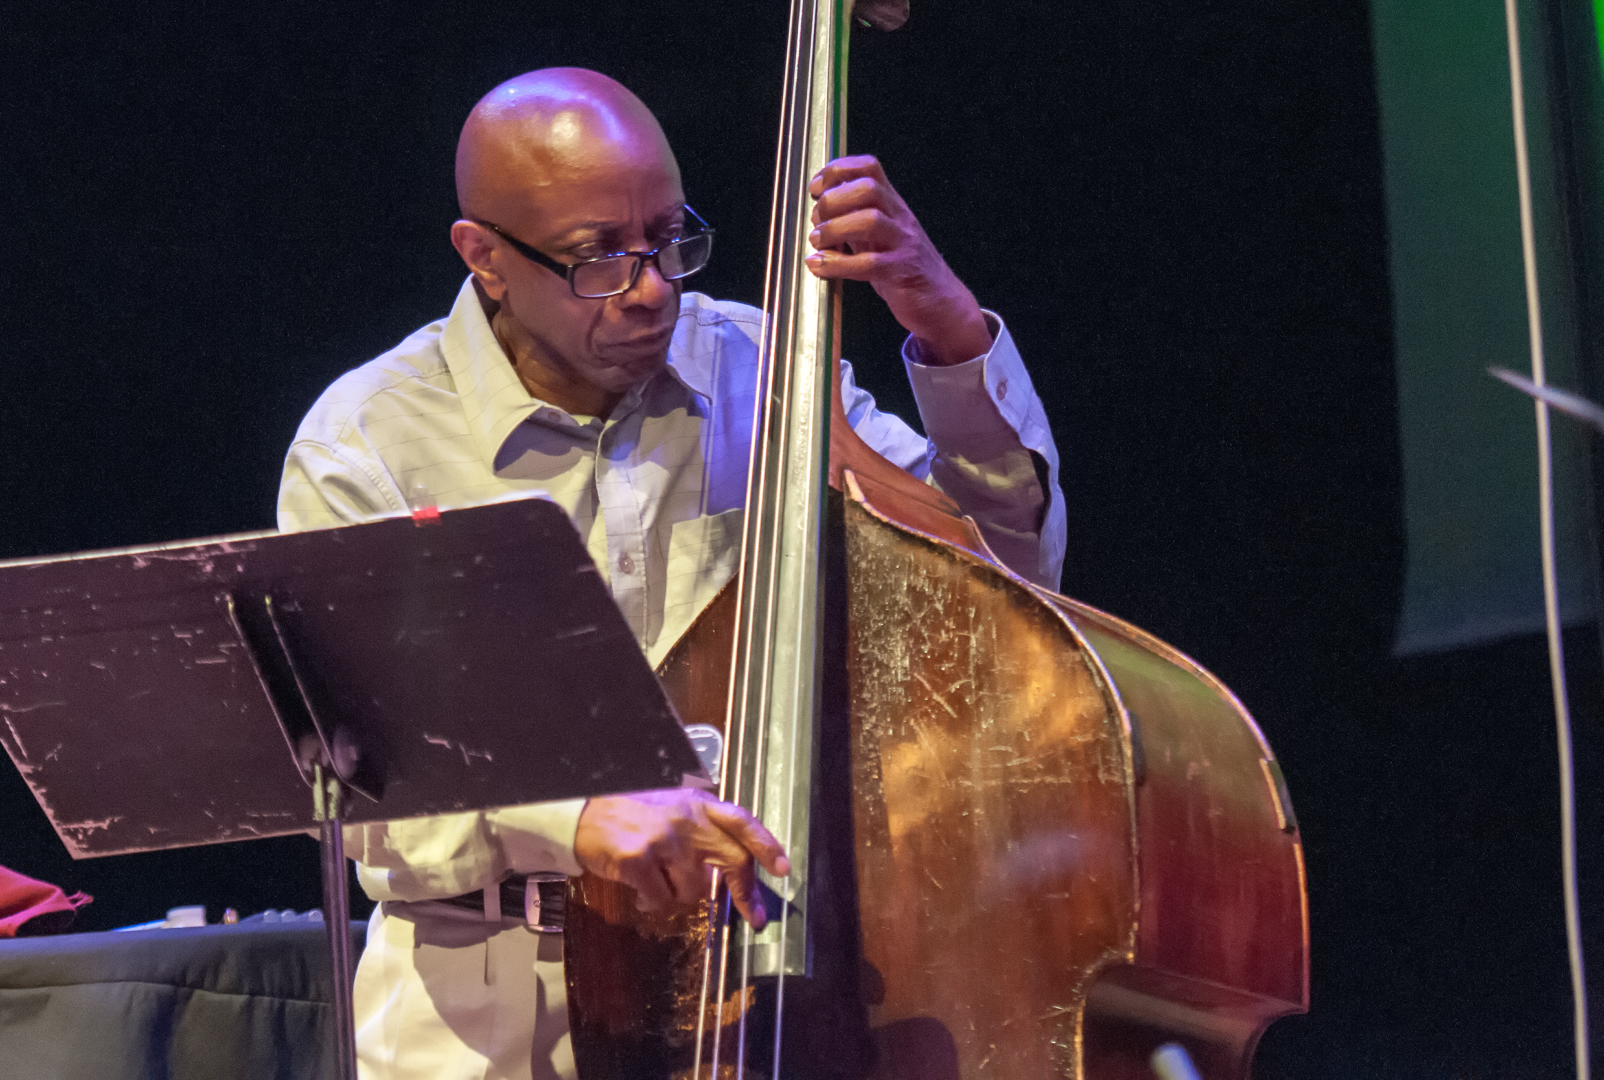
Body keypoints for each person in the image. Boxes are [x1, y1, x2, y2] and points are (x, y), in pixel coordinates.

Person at [277, 67, 1065, 1080]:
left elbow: (1000, 581)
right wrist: (576, 821)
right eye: (596, 257)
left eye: (667, 238)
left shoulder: (763, 367)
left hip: (769, 984)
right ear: (485, 259)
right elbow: (360, 776)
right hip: (489, 1018)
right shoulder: (368, 443)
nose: (650, 287)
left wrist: (947, 330)